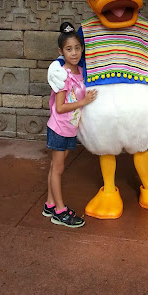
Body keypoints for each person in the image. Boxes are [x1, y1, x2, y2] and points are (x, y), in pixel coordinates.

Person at [43, 22, 97, 228]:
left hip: (69, 129)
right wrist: (84, 102)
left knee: (56, 167)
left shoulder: (80, 71)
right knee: (58, 169)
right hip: (59, 128)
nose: (73, 53)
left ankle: (50, 204)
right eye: (68, 49)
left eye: (77, 48)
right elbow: (60, 107)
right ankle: (59, 211)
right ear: (61, 51)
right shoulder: (62, 75)